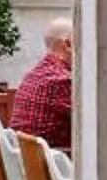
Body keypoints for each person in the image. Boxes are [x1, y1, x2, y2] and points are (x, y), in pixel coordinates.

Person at [10, 16, 74, 151]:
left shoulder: (34, 75)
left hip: (27, 160)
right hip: (50, 165)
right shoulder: (61, 80)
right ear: (67, 45)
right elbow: (95, 121)